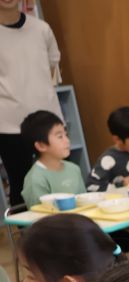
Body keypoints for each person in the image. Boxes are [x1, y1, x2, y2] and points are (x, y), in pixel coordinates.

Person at [0, 0, 61, 207]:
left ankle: (70, 233)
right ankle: (29, 236)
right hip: (10, 125)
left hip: (49, 119)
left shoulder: (41, 28)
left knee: (61, 178)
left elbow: (52, 63)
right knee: (22, 183)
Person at [18, 110, 84, 207]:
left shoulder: (74, 169)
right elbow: (39, 216)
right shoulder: (36, 179)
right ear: (41, 146)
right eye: (60, 136)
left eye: (66, 135)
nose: (67, 141)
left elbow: (84, 202)